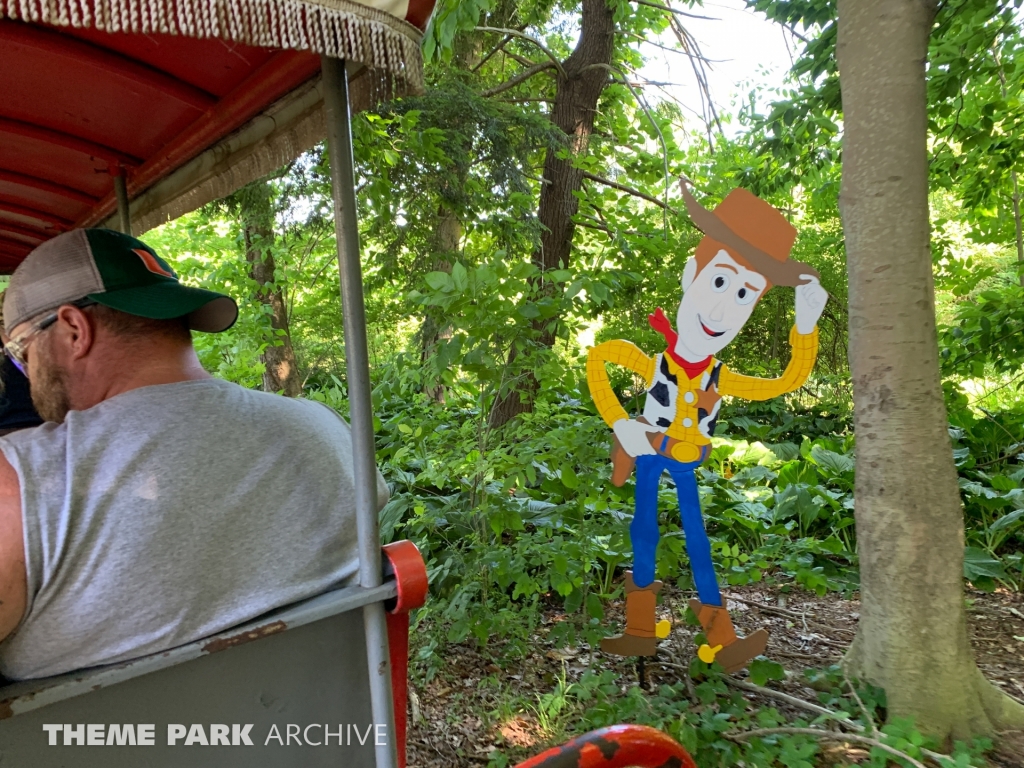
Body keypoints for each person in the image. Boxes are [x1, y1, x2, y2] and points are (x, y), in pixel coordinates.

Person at [0, 228, 387, 680]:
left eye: (20, 353)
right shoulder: (328, 430)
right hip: (328, 743)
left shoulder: (18, 479)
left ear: (73, 330)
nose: (24, 375)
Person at [587, 186, 828, 671]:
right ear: (690, 275)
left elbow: (788, 380)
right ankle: (640, 629)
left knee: (697, 537)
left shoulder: (721, 376)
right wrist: (622, 426)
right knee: (643, 531)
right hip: (653, 454)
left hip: (685, 459)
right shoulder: (654, 362)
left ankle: (719, 635)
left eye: (744, 294)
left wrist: (805, 326)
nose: (722, 311)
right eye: (720, 282)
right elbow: (600, 357)